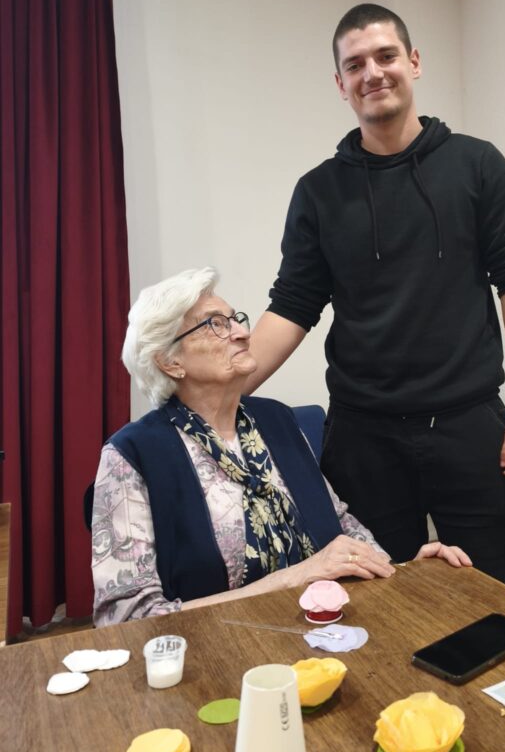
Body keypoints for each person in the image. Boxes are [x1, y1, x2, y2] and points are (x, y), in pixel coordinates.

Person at [246, 3, 505, 599]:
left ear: (413, 62)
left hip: (470, 425)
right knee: (376, 605)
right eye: (355, 64)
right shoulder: (318, 192)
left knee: (503, 598)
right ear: (341, 84)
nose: (373, 73)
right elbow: (292, 306)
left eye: (385, 56)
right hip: (363, 437)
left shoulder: (478, 164)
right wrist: (217, 391)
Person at [91, 267, 469, 626]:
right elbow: (126, 619)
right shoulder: (132, 455)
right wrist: (297, 576)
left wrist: (399, 571)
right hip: (214, 653)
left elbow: (339, 522)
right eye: (215, 325)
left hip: (324, 626)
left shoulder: (278, 421)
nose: (242, 333)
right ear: (169, 362)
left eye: (235, 319)